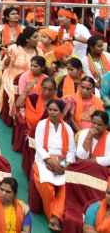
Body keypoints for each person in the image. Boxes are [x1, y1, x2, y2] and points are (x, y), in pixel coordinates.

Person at [33, 99, 75, 231]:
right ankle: (54, 216)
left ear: (62, 112)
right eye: (50, 109)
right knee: (46, 186)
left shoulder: (68, 128)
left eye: (55, 110)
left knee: (65, 186)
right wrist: (49, 160)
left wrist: (63, 165)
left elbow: (71, 152)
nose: (52, 112)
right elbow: (38, 146)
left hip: (62, 163)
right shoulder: (41, 125)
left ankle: (54, 217)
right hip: (43, 160)